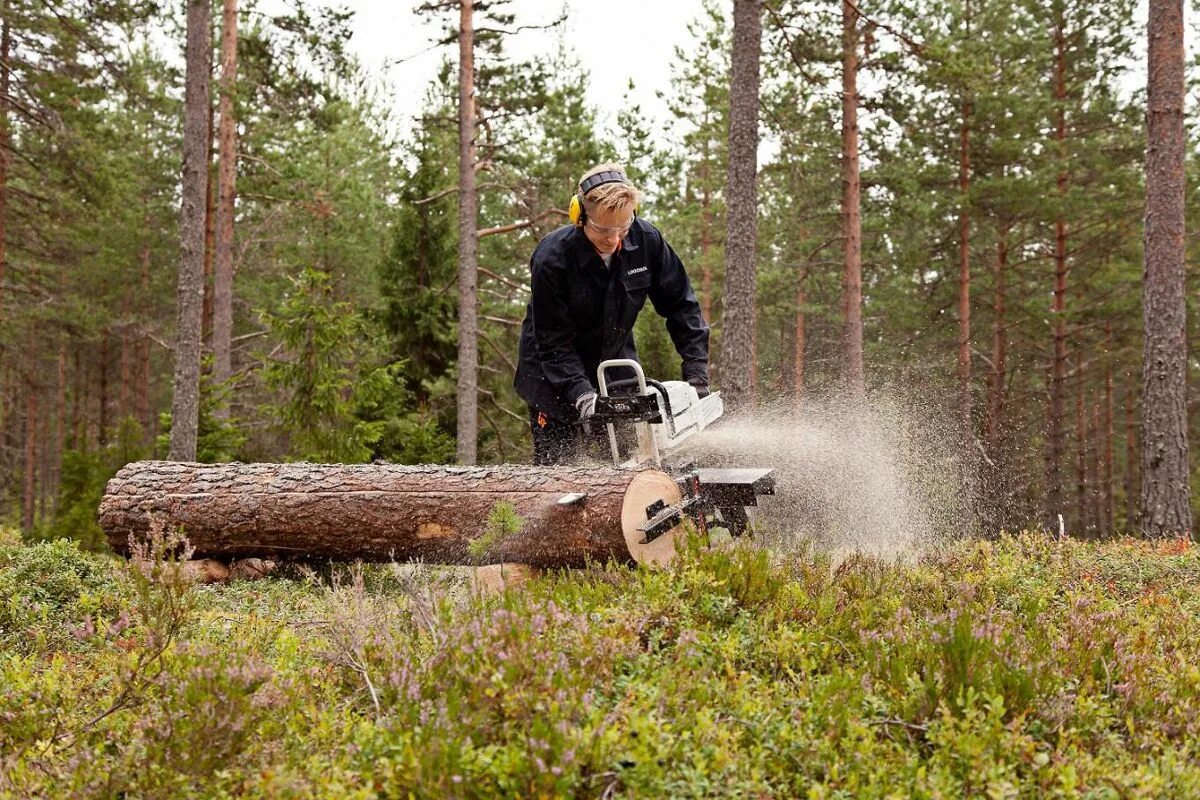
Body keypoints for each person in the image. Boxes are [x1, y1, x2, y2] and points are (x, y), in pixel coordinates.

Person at [514, 164, 710, 465]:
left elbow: (682, 306)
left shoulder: (647, 241)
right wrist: (583, 397)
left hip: (614, 367)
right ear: (580, 217)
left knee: (631, 464)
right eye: (604, 230)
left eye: (624, 228)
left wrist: (696, 375)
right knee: (560, 470)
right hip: (551, 374)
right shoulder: (553, 259)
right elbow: (553, 343)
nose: (615, 239)